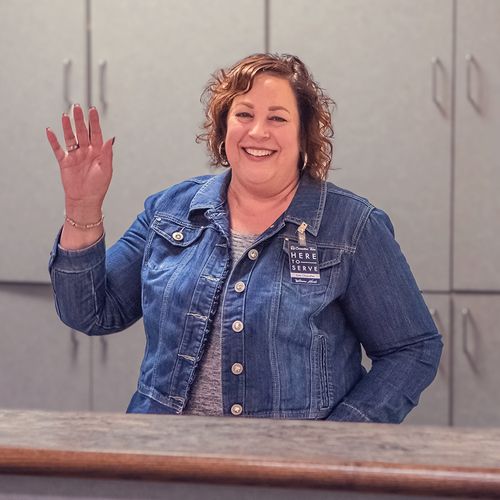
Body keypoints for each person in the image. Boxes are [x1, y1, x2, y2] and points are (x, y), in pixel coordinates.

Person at [47, 53, 442, 421]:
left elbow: (412, 350)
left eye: (278, 118)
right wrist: (82, 206)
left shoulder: (352, 226)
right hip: (164, 454)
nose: (258, 131)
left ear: (304, 135)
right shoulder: (169, 210)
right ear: (223, 129)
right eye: (244, 114)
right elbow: (91, 312)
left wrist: (338, 438)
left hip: (285, 465)